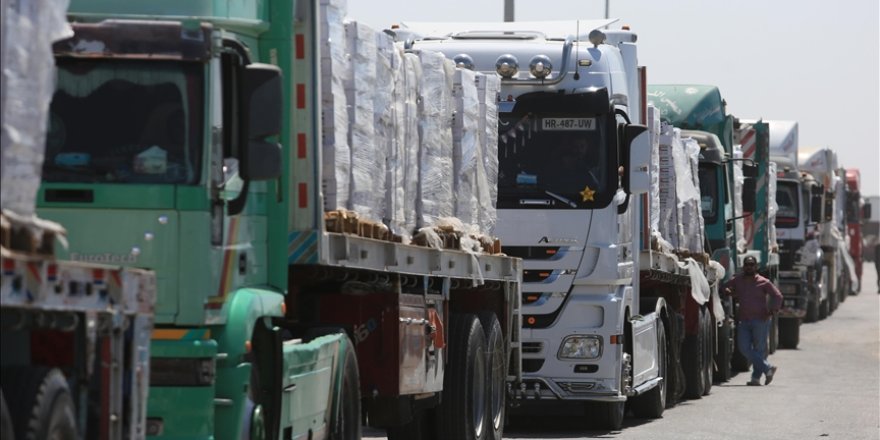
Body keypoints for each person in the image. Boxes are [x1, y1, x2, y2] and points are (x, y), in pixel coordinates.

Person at [724, 255, 783, 386]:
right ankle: (768, 368)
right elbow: (724, 286)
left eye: (752, 265)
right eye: (747, 264)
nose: (749, 267)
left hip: (760, 320)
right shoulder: (738, 280)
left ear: (756, 267)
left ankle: (756, 378)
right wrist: (728, 291)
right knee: (743, 348)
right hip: (744, 321)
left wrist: (773, 311)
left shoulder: (764, 282)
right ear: (743, 266)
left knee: (759, 349)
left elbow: (777, 296)